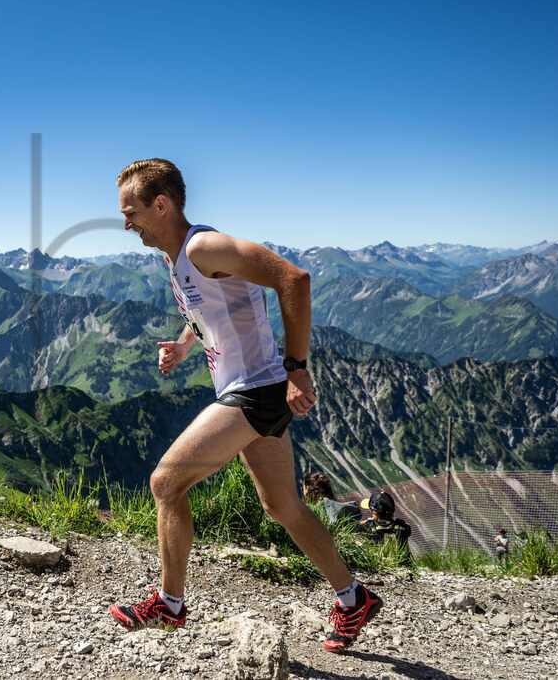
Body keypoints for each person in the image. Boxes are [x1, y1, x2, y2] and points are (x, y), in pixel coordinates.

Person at [106, 159, 382, 654]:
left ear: (161, 205)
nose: (126, 223)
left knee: (166, 482)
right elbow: (215, 308)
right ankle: (352, 597)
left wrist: (297, 366)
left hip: (254, 390)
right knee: (282, 506)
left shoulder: (202, 245)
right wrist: (184, 344)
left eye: (131, 212)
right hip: (255, 390)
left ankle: (169, 605)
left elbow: (292, 278)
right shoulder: (180, 259)